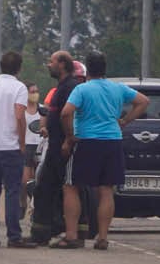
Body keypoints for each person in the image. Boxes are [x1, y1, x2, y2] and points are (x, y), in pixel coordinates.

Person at [55, 52, 146, 251]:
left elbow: (66, 112)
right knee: (106, 190)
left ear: (88, 69)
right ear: (105, 69)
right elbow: (143, 101)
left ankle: (71, 235)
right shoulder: (117, 88)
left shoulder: (82, 89)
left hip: (86, 142)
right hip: (112, 142)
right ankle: (102, 237)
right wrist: (125, 120)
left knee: (71, 186)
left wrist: (69, 137)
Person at [0, 51, 34, 248]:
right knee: (12, 190)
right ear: (19, 68)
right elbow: (19, 116)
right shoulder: (19, 88)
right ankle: (13, 235)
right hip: (9, 146)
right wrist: (22, 141)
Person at [28, 51, 83, 245]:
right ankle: (48, 230)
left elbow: (69, 115)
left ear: (62, 64)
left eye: (51, 62)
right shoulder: (61, 87)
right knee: (46, 189)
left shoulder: (71, 87)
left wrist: (68, 140)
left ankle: (47, 232)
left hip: (63, 148)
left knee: (52, 189)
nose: (48, 65)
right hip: (55, 146)